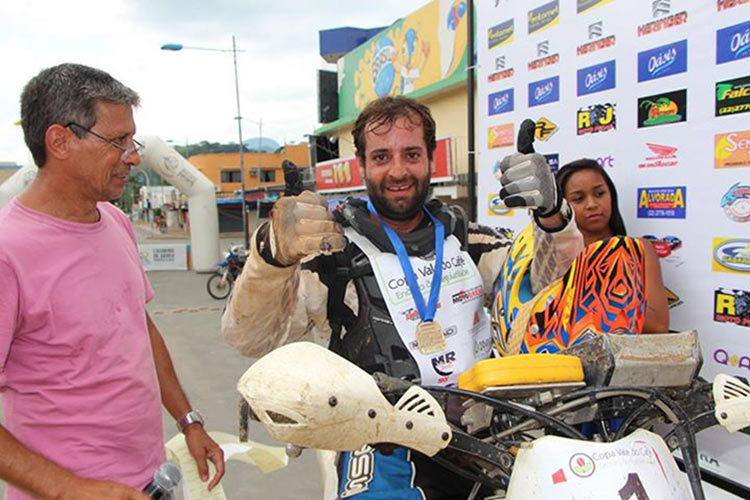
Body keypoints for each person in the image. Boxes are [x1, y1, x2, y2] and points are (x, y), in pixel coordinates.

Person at [222, 96, 583, 499]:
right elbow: (249, 338)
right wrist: (271, 257)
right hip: (378, 442)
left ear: (432, 160)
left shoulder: (469, 240)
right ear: (363, 165)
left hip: (482, 437)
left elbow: (552, 283)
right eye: (382, 156)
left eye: (411, 154)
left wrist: (553, 215)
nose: (397, 171)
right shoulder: (330, 255)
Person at [0, 63, 224, 500]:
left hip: (152, 478)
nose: (135, 156)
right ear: (60, 141)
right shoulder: (8, 249)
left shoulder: (116, 222)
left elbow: (139, 330)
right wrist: (72, 490)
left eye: (133, 140)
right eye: (117, 141)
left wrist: (188, 420)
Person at [491, 158, 669, 356]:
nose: (592, 204)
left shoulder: (638, 250)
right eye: (579, 198)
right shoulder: (551, 257)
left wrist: (595, 303)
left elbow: (658, 325)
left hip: (622, 368)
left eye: (599, 193)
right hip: (559, 369)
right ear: (563, 204)